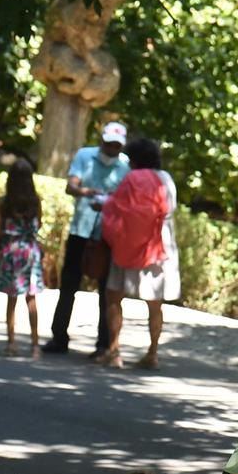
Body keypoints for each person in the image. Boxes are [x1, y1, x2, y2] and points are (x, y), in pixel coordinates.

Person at [44, 120, 133, 355]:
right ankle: (59, 337)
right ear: (102, 140)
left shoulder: (125, 166)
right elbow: (71, 185)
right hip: (81, 230)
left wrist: (111, 201)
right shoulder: (85, 156)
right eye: (109, 144)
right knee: (69, 285)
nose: (112, 149)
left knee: (106, 291)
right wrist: (87, 192)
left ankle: (104, 344)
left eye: (117, 146)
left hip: (108, 236)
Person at [97, 138, 179, 370]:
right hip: (160, 244)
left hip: (128, 243)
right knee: (155, 304)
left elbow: (116, 205)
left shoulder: (132, 178)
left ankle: (114, 351)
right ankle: (152, 353)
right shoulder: (167, 180)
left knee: (114, 296)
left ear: (134, 160)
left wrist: (102, 206)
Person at [0, 157, 46, 358]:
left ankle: (12, 342)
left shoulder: (4, 203)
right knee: (31, 299)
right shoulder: (35, 201)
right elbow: (38, 224)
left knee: (11, 299)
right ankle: (35, 345)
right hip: (30, 251)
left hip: (11, 251)